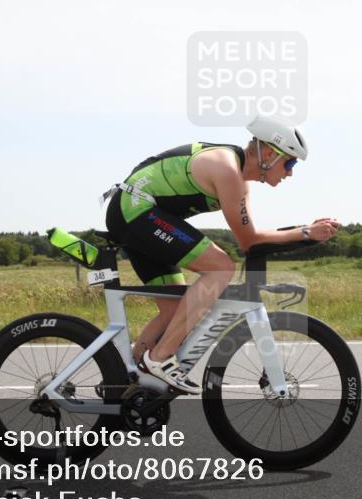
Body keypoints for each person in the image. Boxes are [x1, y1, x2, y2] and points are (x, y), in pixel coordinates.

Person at [102, 117, 340, 394]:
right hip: (136, 211)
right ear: (269, 153)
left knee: (174, 311)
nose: (289, 173)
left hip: (137, 214)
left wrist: (304, 233)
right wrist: (306, 232)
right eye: (290, 163)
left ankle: (127, 383)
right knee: (220, 268)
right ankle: (159, 359)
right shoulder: (227, 169)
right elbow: (248, 240)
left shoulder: (238, 180)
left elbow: (252, 238)